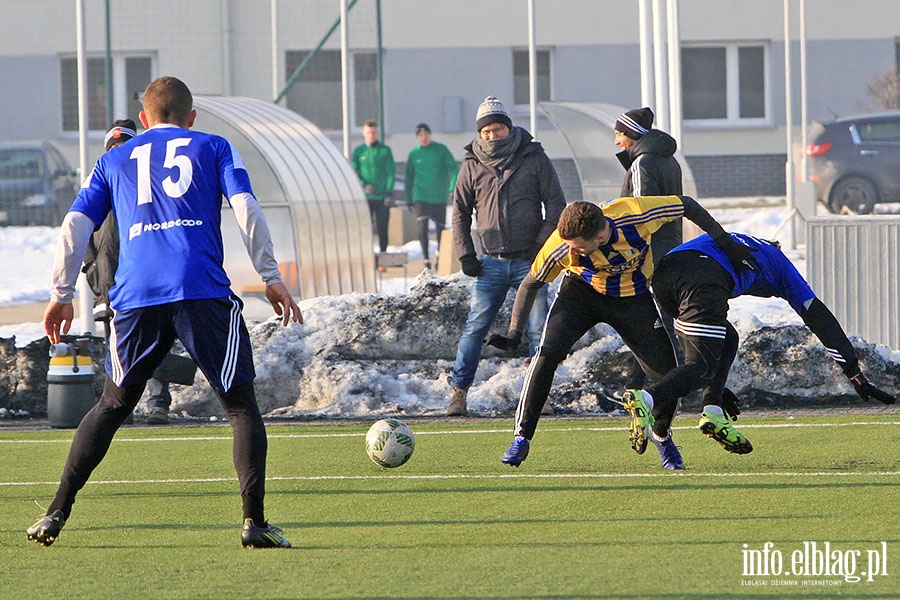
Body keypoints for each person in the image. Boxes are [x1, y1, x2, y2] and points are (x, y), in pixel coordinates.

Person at [27, 76, 302, 549]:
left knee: (113, 405)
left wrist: (61, 292)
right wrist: (270, 275)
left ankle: (55, 512)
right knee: (239, 405)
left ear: (145, 119)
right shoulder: (214, 145)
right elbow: (246, 208)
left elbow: (75, 224)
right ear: (191, 117)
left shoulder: (113, 158)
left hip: (136, 295)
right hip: (200, 288)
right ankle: (253, 522)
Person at [487, 199, 758, 470]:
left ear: (602, 235)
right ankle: (521, 437)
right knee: (546, 355)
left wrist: (725, 242)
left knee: (667, 378)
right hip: (580, 295)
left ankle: (662, 437)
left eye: (579, 246)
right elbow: (530, 284)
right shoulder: (560, 244)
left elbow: (686, 205)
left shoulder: (636, 213)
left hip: (632, 299)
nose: (572, 250)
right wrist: (514, 333)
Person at [625, 232, 896, 455]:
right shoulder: (780, 264)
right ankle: (646, 398)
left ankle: (713, 409)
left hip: (664, 276)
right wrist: (852, 370)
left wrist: (715, 383)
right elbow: (818, 316)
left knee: (727, 339)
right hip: (703, 277)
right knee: (701, 367)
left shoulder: (741, 240)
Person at [447, 96, 566, 417]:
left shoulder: (534, 157)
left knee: (539, 330)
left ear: (507, 128)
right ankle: (459, 393)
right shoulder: (471, 164)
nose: (490, 135)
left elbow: (556, 204)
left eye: (496, 129)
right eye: (485, 131)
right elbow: (459, 212)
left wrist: (541, 244)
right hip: (490, 263)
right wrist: (465, 253)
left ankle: (540, 396)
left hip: (533, 262)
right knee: (475, 327)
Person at [82, 118, 190, 426]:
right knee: (118, 354)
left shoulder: (147, 186)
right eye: (112, 145)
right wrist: (93, 273)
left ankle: (158, 403)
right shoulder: (99, 183)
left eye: (123, 144)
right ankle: (121, 408)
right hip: (109, 289)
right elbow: (83, 235)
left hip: (144, 286)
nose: (117, 149)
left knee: (153, 347)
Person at [614, 107, 684, 393]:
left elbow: (642, 212)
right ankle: (638, 382)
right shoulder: (668, 160)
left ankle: (665, 383)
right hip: (670, 244)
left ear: (630, 135)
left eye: (619, 135)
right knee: (658, 314)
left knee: (651, 316)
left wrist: (632, 249)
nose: (617, 142)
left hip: (649, 251)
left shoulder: (643, 162)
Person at [404, 122, 458, 271]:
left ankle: (440, 253)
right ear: (417, 137)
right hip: (420, 196)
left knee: (441, 229)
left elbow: (453, 168)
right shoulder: (414, 154)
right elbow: (409, 177)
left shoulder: (440, 150)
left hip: (438, 196)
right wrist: (408, 198)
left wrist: (452, 187)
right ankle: (426, 258)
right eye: (420, 135)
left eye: (426, 134)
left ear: (430, 135)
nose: (424, 138)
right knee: (422, 227)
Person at [352, 119, 395, 256]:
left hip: (381, 196)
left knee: (382, 227)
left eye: (374, 132)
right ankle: (367, 255)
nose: (371, 135)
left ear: (377, 133)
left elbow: (390, 171)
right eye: (369, 132)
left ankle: (383, 254)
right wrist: (364, 185)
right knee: (366, 227)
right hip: (366, 197)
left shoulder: (384, 150)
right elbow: (354, 171)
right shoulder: (359, 151)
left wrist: (388, 191)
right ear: (364, 133)